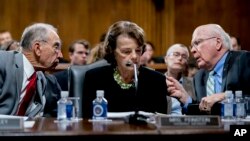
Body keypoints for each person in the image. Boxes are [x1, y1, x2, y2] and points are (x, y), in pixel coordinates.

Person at [82, 21, 168, 119]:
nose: (134, 56)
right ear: (112, 51)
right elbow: (87, 120)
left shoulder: (157, 80)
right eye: (126, 52)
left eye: (138, 50)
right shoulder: (94, 78)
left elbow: (160, 122)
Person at [167, 24, 250, 114]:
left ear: (218, 43)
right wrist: (186, 99)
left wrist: (227, 97)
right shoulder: (199, 76)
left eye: (197, 43)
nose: (192, 51)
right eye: (192, 46)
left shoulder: (244, 60)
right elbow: (204, 111)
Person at [0, 23, 63, 117]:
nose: (61, 55)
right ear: (37, 48)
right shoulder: (2, 61)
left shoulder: (41, 80)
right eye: (56, 47)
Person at [164, 43, 196, 115]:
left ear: (186, 63)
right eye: (176, 54)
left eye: (184, 56)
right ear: (166, 59)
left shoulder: (194, 83)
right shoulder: (156, 82)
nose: (180, 58)